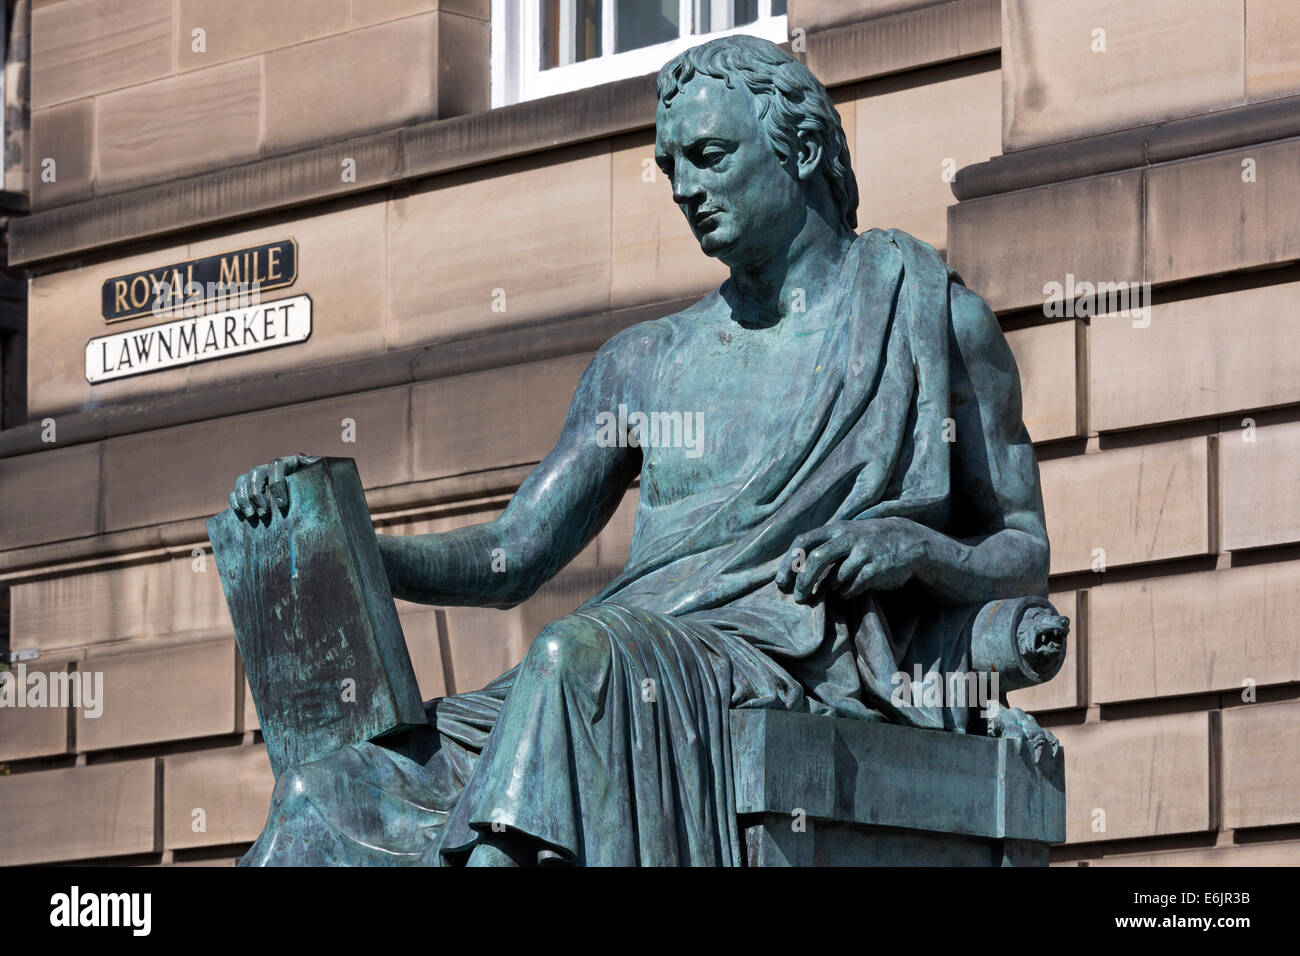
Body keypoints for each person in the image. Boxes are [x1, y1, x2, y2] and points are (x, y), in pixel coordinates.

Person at [229, 35, 1057, 867]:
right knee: (331, 789)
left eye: (708, 156)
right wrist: (334, 552)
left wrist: (913, 547)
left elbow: (1021, 552)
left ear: (801, 150)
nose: (687, 189)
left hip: (780, 661)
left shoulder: (923, 319)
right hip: (632, 664)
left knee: (575, 663)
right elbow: (511, 556)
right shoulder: (645, 362)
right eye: (672, 170)